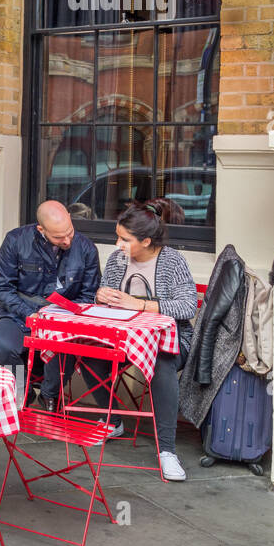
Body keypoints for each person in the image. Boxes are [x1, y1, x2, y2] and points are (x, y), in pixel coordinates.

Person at [85, 198, 197, 482]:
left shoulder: (172, 261)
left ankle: (167, 450)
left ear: (146, 241)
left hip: (170, 340)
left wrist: (141, 305)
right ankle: (112, 420)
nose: (118, 244)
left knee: (161, 362)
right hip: (123, 337)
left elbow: (187, 307)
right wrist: (100, 296)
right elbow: (105, 297)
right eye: (117, 237)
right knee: (87, 352)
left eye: (125, 239)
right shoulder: (117, 259)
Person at [0, 200, 102, 405]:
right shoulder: (15, 240)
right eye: (58, 237)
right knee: (0, 345)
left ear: (69, 218)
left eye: (70, 232)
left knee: (67, 346)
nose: (67, 240)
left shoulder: (87, 248)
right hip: (19, 314)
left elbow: (88, 296)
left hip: (63, 317)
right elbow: (1, 287)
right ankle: (22, 393)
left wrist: (62, 316)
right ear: (41, 229)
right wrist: (28, 313)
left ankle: (50, 395)